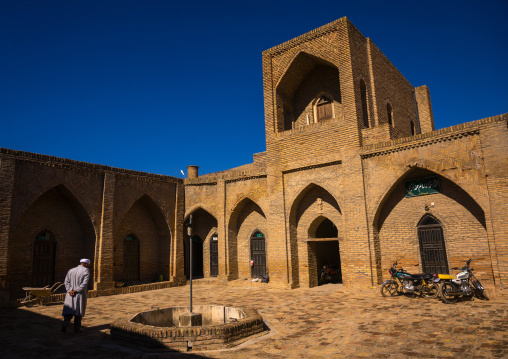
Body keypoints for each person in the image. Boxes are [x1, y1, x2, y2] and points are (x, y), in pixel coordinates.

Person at [61, 258, 90, 333]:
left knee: (68, 311)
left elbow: (66, 281)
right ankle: (77, 329)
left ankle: (64, 325)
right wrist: (76, 290)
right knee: (78, 312)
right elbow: (84, 283)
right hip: (79, 294)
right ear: (86, 264)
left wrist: (70, 290)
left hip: (70, 294)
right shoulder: (86, 270)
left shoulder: (71, 270)